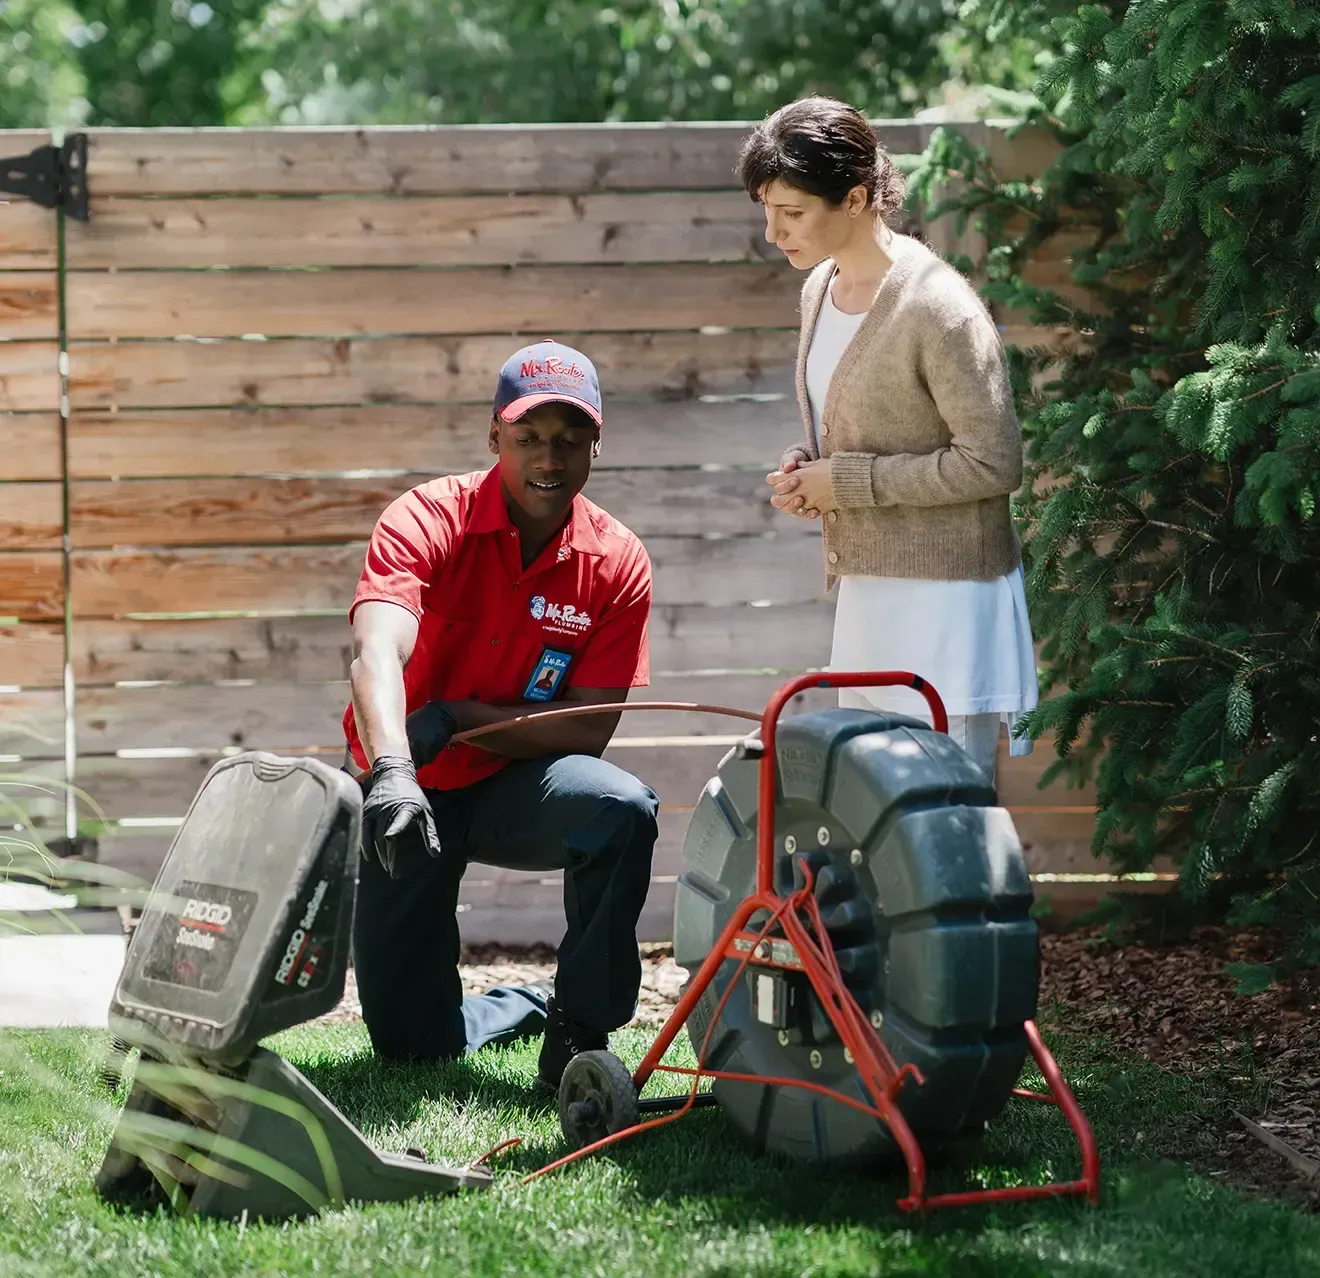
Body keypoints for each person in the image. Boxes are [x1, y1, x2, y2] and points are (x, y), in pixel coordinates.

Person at [342, 339, 659, 1088]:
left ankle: (579, 1030)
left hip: (515, 785)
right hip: (406, 793)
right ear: (495, 438)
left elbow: (588, 728)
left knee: (620, 808)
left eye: (569, 440)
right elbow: (376, 648)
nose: (548, 458)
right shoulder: (427, 517)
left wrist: (457, 713)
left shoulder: (616, 563)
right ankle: (523, 1002)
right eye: (528, 439)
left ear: (595, 446)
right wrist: (390, 769)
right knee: (413, 1048)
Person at [741, 97, 1037, 784]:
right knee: (875, 823)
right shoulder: (820, 290)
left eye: (791, 213)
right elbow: (862, 427)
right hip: (869, 598)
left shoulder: (938, 307)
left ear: (856, 196)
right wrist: (806, 468)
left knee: (949, 826)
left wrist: (843, 482)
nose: (771, 232)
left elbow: (993, 461)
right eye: (767, 210)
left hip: (950, 602)